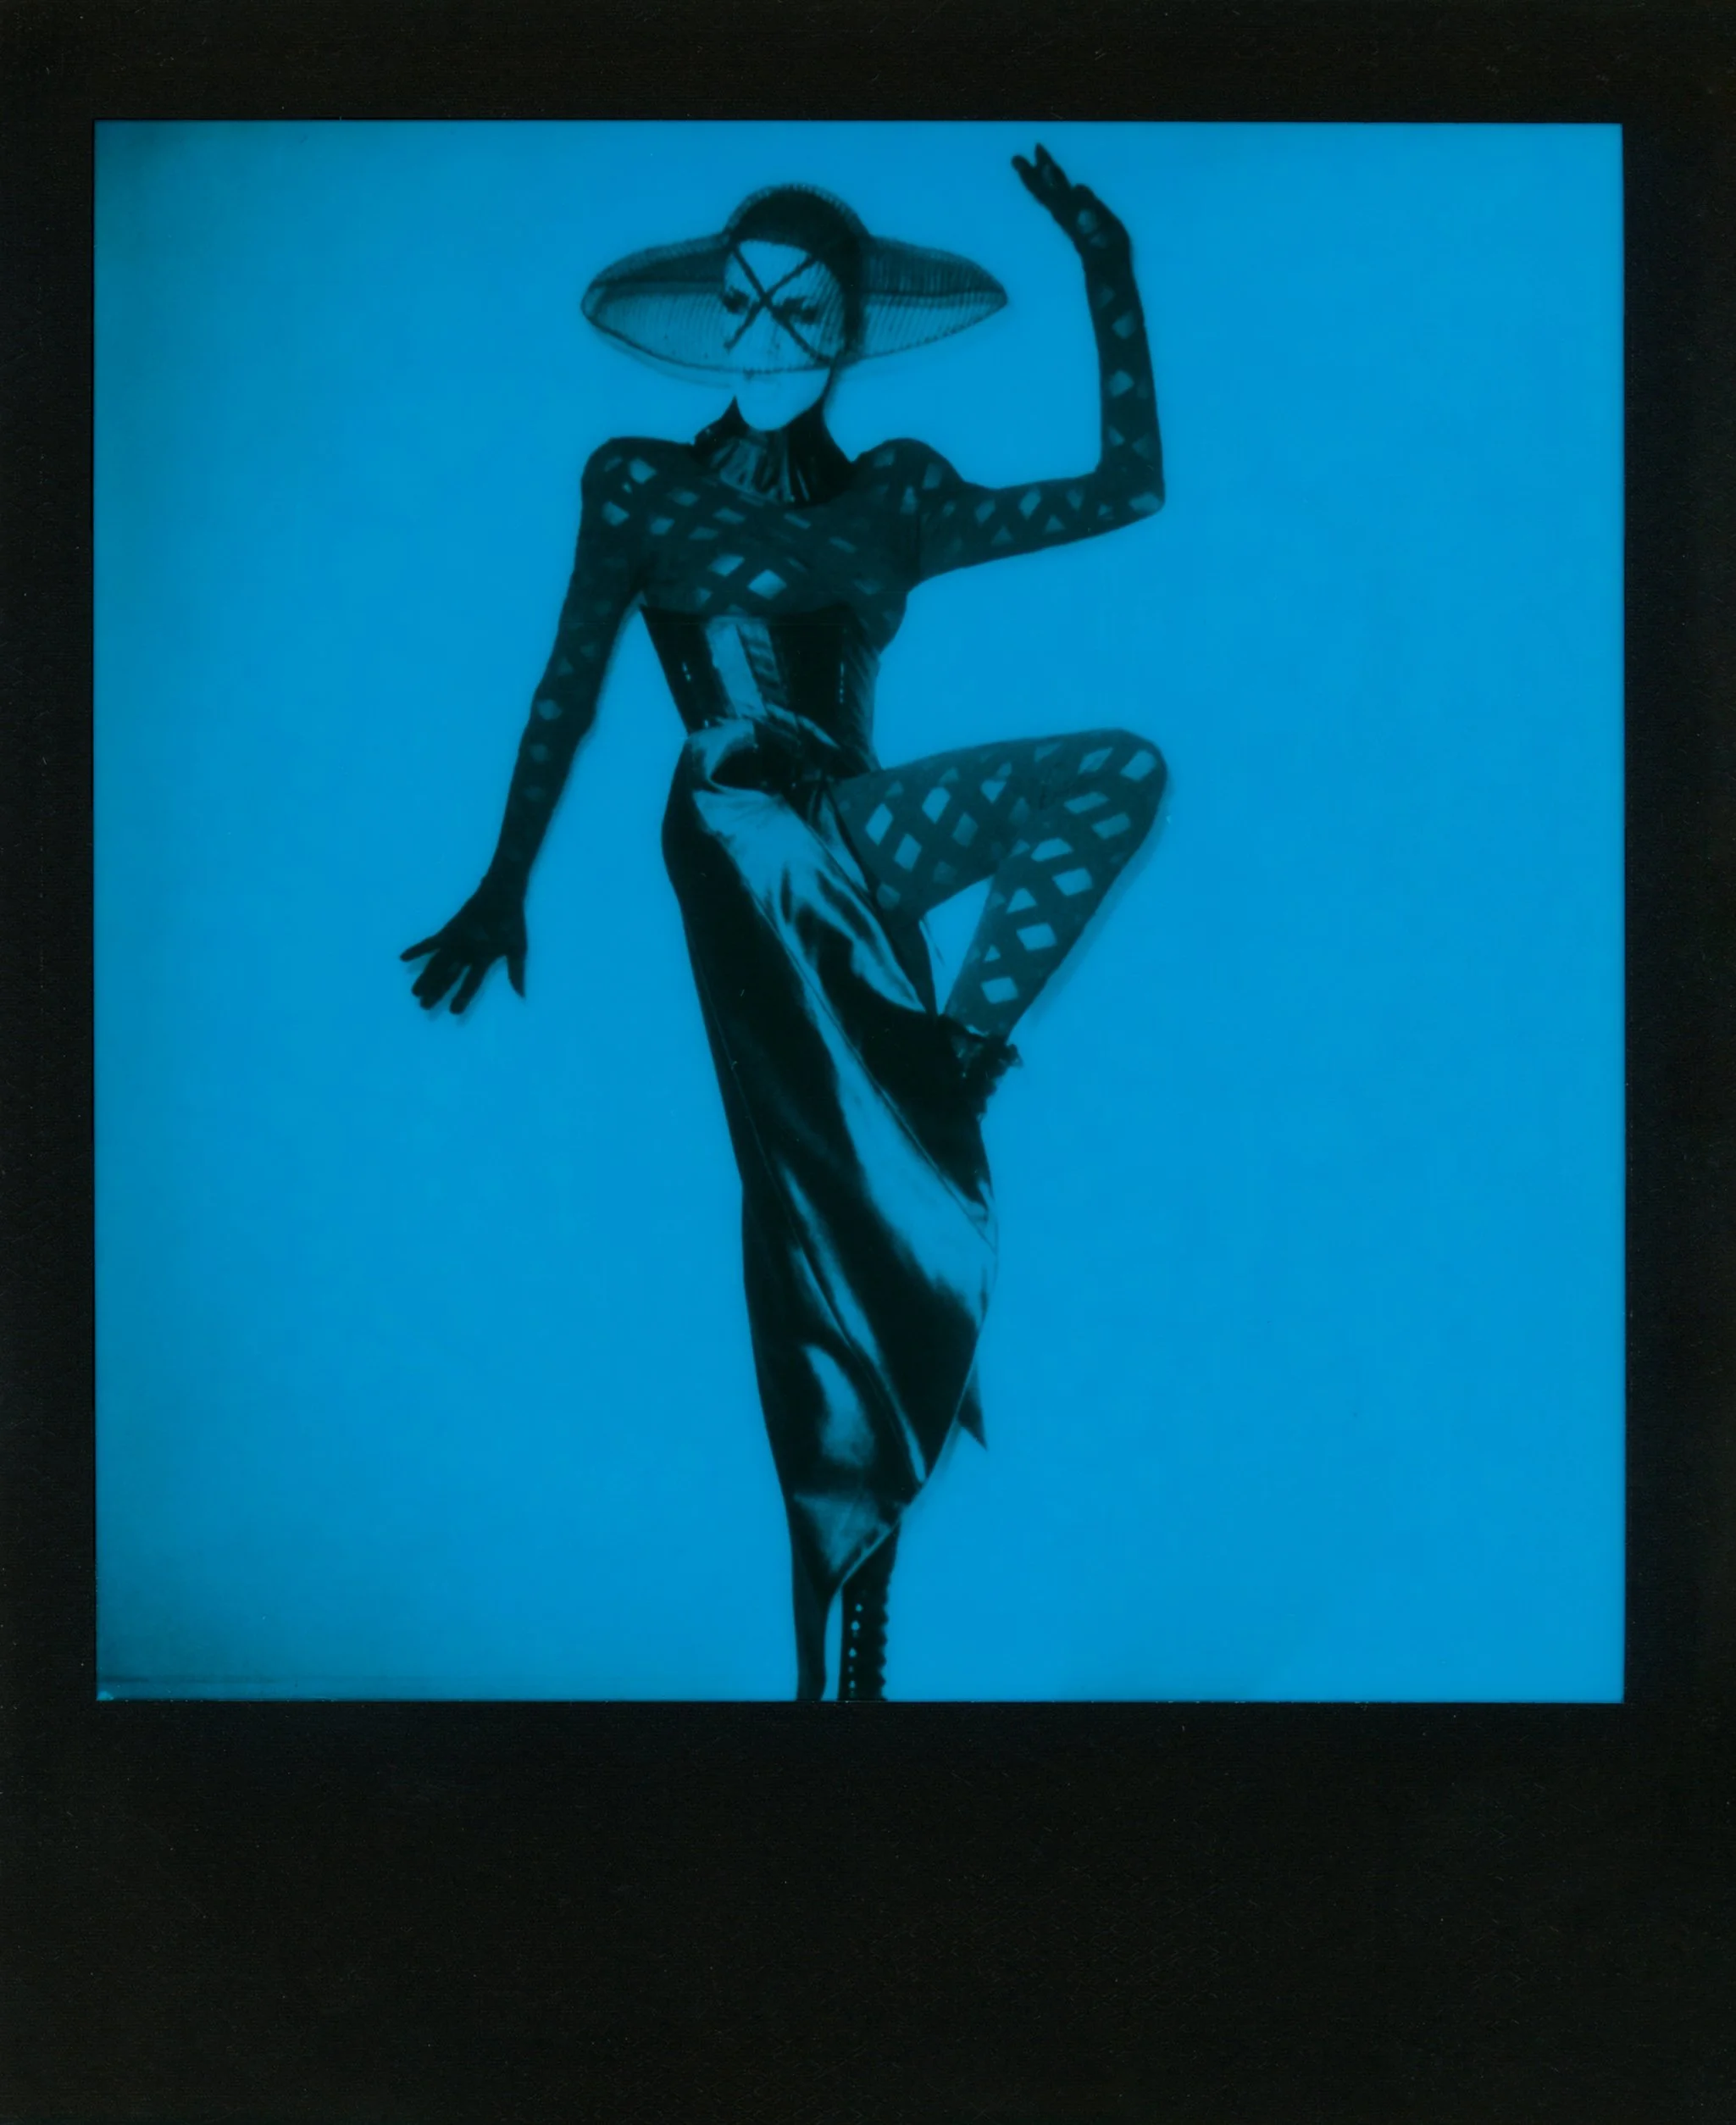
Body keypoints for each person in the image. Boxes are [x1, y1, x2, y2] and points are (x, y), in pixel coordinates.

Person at [403, 144, 1167, 1701]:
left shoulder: (898, 496)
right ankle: (848, 1556)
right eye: (742, 305)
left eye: (801, 312)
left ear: (847, 334)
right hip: (739, 824)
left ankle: (954, 1063)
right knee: (816, 1194)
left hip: (855, 850)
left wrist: (1109, 256)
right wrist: (504, 880)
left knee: (841, 1203)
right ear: (712, 318)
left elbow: (1125, 486)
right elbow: (569, 678)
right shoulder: (639, 481)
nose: (765, 336)